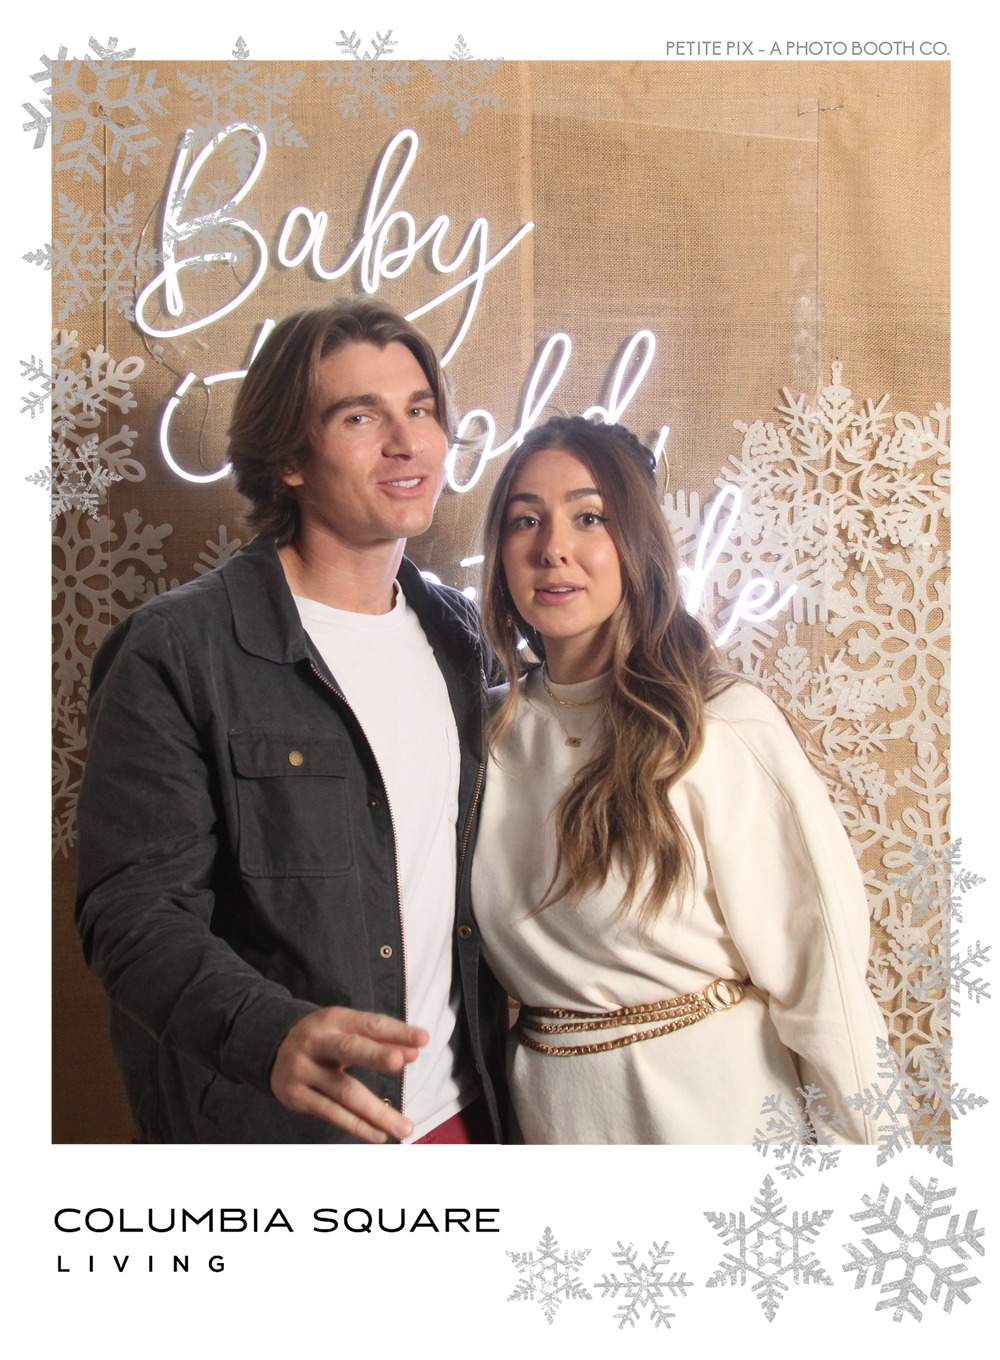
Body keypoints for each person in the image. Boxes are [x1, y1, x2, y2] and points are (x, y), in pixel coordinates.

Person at [75, 297, 509, 1144]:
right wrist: (266, 1032)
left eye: (421, 409)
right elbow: (132, 914)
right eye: (361, 416)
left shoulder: (464, 641)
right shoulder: (179, 649)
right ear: (289, 457)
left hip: (461, 1118)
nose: (407, 441)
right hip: (281, 1138)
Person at [472, 414, 895, 1144]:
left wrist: (872, 1181)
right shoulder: (483, 733)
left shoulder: (719, 725)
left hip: (720, 1125)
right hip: (552, 1125)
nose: (552, 549)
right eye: (525, 520)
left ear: (636, 543)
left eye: (589, 517)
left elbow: (823, 984)